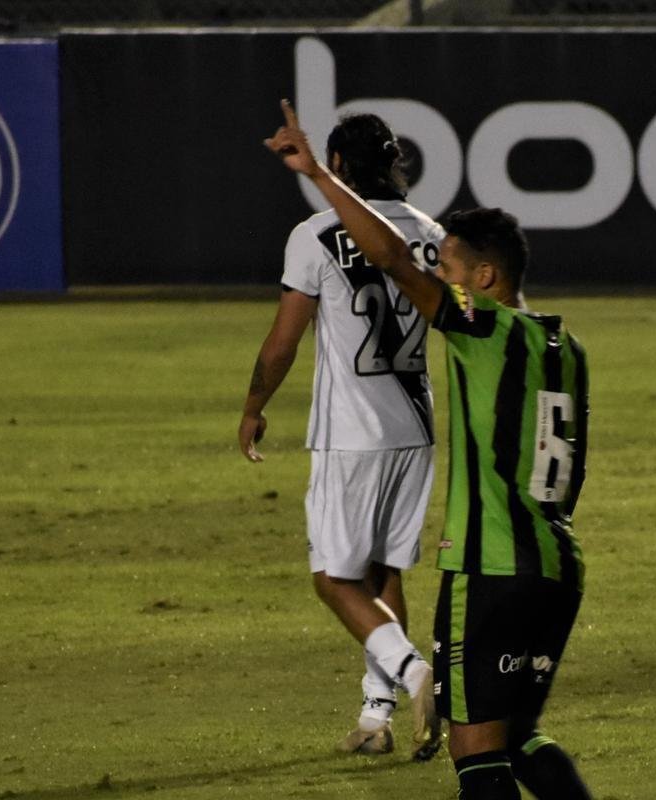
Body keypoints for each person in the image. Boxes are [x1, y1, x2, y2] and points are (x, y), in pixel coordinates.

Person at [265, 99, 593, 800]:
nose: (434, 280)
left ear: (483, 279)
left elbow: (386, 255)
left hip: (491, 568)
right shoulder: (565, 347)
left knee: (477, 760)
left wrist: (318, 174)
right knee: (524, 738)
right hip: (558, 566)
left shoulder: (480, 330)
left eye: (446, 268)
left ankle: (401, 681)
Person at [239, 111, 444, 761]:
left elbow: (281, 344)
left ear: (335, 164)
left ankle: (416, 675)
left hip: (351, 433)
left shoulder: (315, 235)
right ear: (394, 165)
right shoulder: (435, 236)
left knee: (335, 579)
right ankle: (375, 715)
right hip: (415, 428)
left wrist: (253, 406)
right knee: (383, 576)